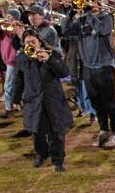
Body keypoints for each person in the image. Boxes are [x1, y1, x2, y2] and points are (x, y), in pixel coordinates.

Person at [63, 0, 115, 148]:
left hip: (104, 67)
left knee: (109, 102)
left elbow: (102, 30)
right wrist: (70, 13)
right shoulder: (81, 20)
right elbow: (66, 31)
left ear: (96, 2)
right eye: (85, 0)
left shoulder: (106, 17)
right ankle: (104, 129)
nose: (86, 3)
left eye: (89, 0)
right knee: (96, 102)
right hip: (88, 68)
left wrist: (88, 14)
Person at [11, 30, 73, 172]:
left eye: (33, 41)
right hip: (33, 99)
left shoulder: (52, 54)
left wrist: (48, 59)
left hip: (52, 99)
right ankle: (41, 154)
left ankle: (58, 160)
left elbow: (64, 72)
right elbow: (18, 80)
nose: (31, 44)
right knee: (36, 131)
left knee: (56, 132)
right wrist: (15, 99)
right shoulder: (21, 58)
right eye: (27, 42)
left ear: (39, 41)